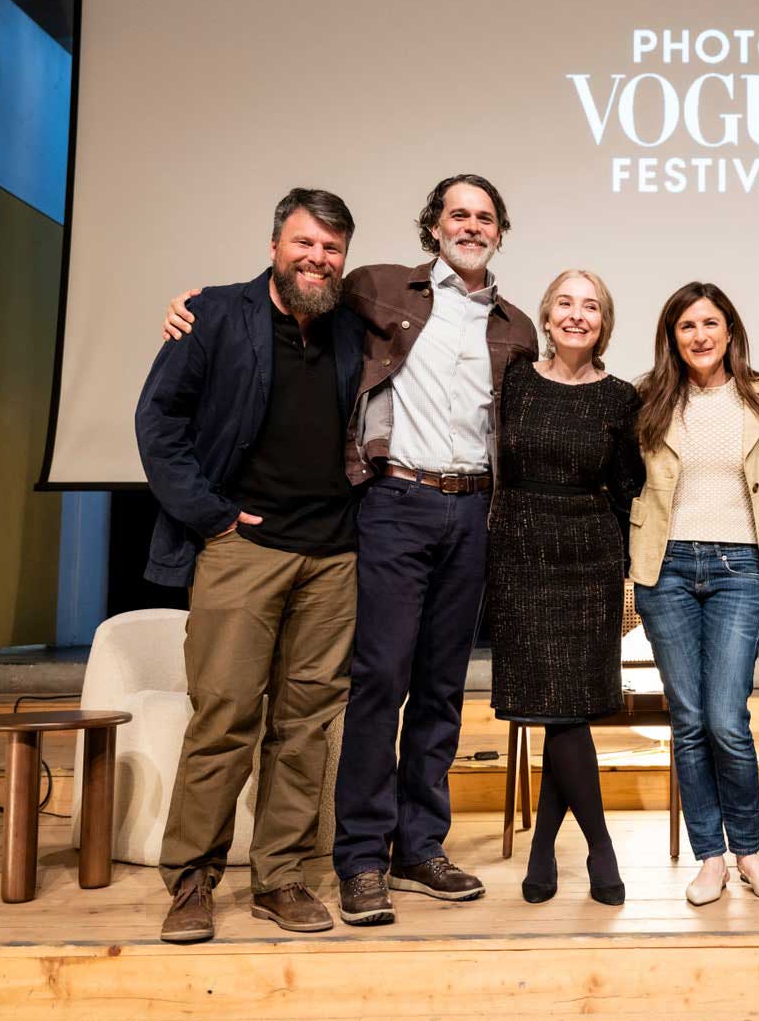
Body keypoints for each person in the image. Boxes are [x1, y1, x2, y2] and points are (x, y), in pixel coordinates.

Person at [162, 174, 539, 925]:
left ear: (500, 231)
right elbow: (259, 309)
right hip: (394, 504)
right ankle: (356, 859)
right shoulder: (375, 289)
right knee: (372, 688)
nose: (471, 226)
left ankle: (416, 848)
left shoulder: (515, 326)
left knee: (436, 693)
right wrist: (193, 305)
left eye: (485, 217)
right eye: (457, 214)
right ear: (431, 226)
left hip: (463, 516)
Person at [137, 188, 364, 943]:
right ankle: (193, 879)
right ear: (275, 246)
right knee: (224, 716)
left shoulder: (353, 327)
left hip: (333, 557)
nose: (316, 259)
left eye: (331, 249)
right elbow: (158, 420)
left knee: (304, 731)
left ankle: (281, 878)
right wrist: (209, 515)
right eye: (304, 244)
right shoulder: (213, 316)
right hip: (244, 551)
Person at [628, 282, 759, 906]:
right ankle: (709, 857)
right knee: (690, 720)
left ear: (730, 330)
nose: (699, 336)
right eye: (686, 327)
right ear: (672, 337)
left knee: (728, 719)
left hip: (740, 568)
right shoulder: (647, 398)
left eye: (710, 323)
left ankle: (748, 852)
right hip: (666, 569)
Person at [486, 269, 644, 906]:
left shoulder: (620, 397)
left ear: (604, 323)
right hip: (521, 554)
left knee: (567, 710)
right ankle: (596, 846)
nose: (577, 316)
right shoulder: (514, 381)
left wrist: (634, 568)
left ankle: (548, 847)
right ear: (546, 318)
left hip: (590, 560)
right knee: (558, 711)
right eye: (565, 304)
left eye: (591, 307)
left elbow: (631, 486)